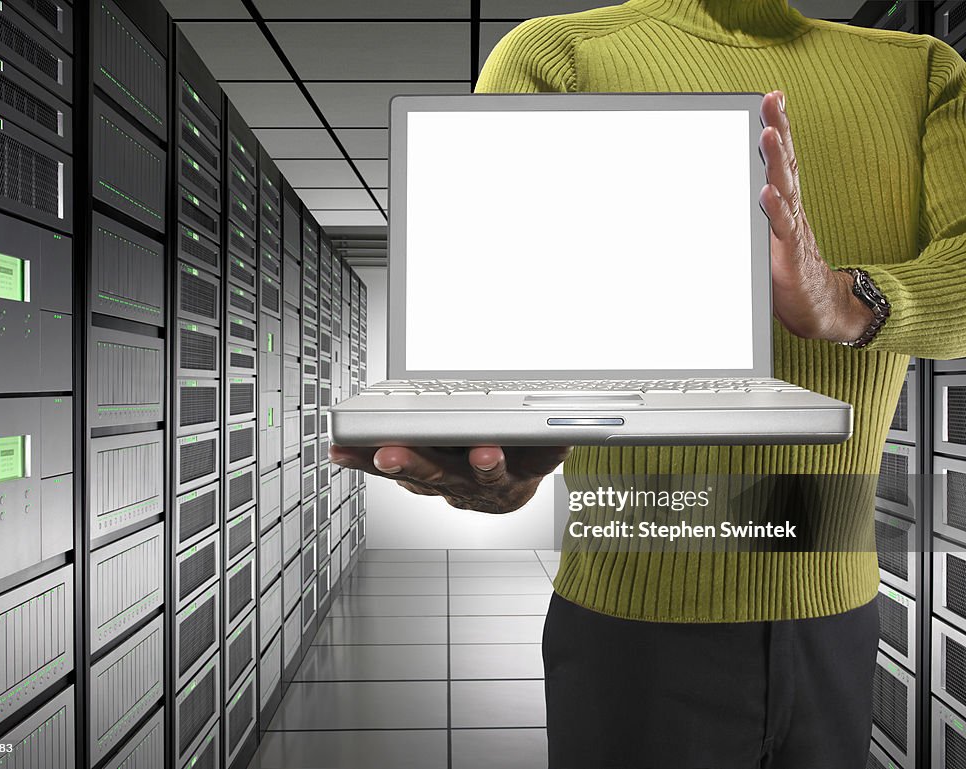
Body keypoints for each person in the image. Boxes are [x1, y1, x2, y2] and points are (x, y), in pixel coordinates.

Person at [331, 1, 966, 765]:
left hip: (840, 612)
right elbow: (504, 326)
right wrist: (496, 464)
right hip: (628, 623)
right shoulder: (557, 58)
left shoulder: (922, 71)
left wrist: (849, 298)